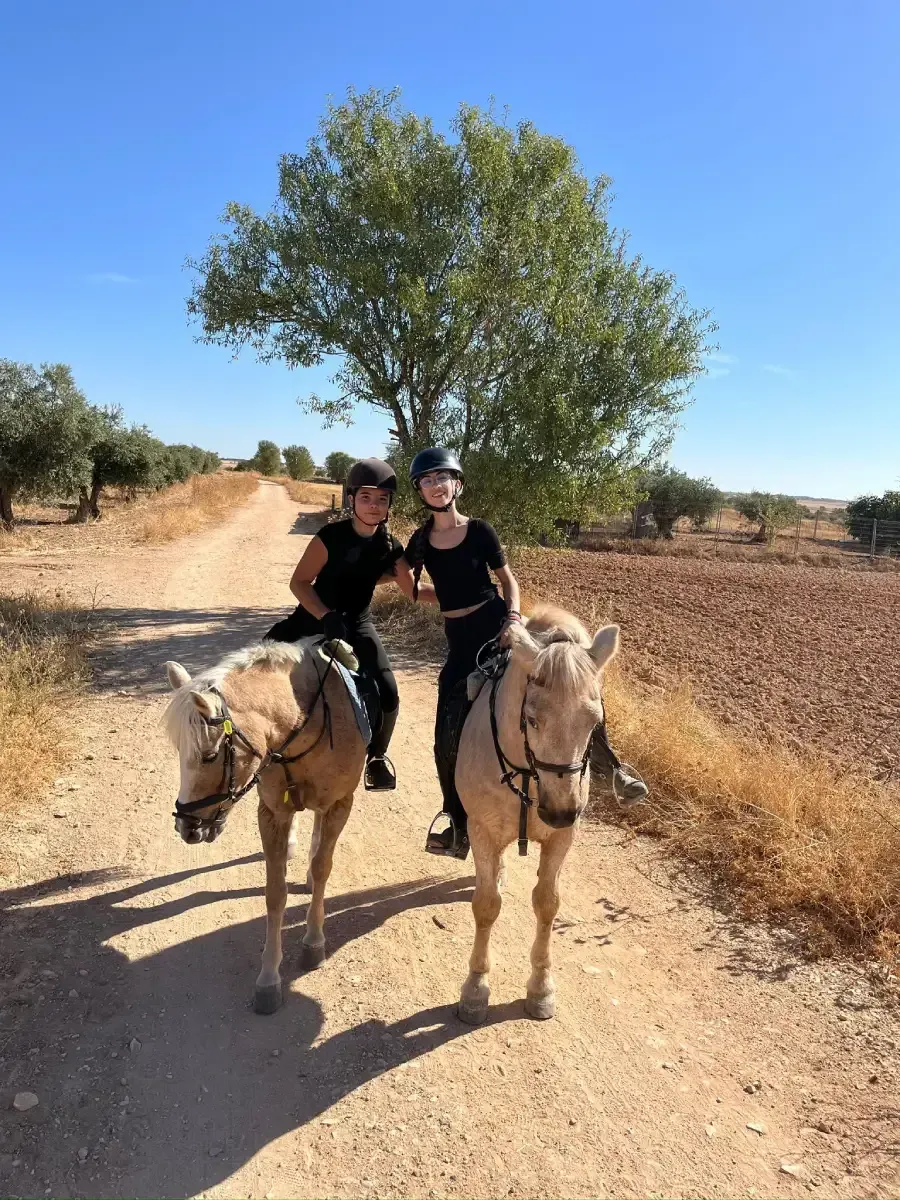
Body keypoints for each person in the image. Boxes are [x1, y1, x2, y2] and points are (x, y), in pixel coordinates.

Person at [394, 446, 648, 858]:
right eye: (427, 480)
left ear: (456, 484)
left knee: (568, 695)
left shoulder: (480, 531)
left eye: (443, 478)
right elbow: (400, 572)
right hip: (460, 644)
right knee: (446, 737)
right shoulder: (421, 540)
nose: (436, 486)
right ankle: (457, 821)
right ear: (419, 490)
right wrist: (425, 594)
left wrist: (512, 620)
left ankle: (613, 770)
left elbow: (508, 584)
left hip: (499, 629)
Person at [264, 457, 403, 791]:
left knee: (389, 693)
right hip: (313, 618)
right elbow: (299, 582)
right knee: (261, 672)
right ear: (351, 498)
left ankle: (377, 758)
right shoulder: (330, 537)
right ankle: (260, 750)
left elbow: (387, 577)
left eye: (382, 499)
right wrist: (325, 615)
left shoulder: (389, 545)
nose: (374, 505)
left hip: (357, 624)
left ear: (388, 506)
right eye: (367, 497)